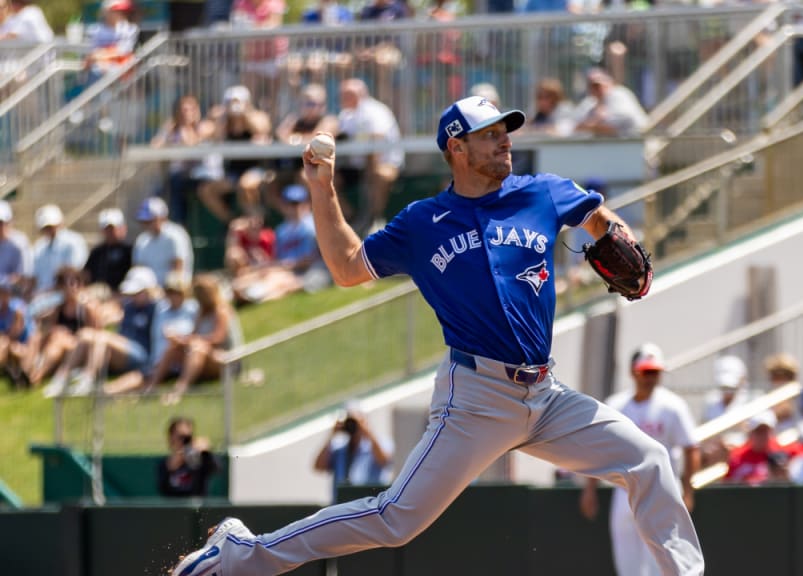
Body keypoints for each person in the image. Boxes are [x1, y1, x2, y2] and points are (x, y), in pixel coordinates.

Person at [171, 96, 703, 576]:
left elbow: (596, 216)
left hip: (546, 395)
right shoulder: (424, 222)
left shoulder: (540, 192)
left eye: (506, 130)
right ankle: (242, 554)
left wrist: (617, 235)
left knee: (650, 460)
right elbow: (347, 266)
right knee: (395, 519)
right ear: (457, 146)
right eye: (490, 134)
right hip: (476, 398)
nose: (505, 140)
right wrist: (322, 189)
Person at [579, 343, 700, 576]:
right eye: (646, 371)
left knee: (660, 562)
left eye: (655, 372)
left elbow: (690, 447)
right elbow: (597, 447)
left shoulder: (673, 405)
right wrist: (590, 488)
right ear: (633, 372)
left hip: (661, 491)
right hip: (623, 491)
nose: (651, 378)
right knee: (627, 563)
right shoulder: (616, 404)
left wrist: (688, 491)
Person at [48, 266, 158, 397]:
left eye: (138, 292)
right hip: (124, 350)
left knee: (100, 337)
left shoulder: (156, 308)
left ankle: (88, 379)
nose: (133, 296)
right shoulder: (129, 307)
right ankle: (61, 378)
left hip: (141, 355)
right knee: (85, 335)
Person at [147, 274, 240, 406]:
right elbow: (193, 335)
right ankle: (151, 386)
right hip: (208, 355)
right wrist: (180, 340)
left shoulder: (221, 310)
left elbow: (218, 338)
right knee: (173, 349)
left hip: (227, 360)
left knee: (197, 347)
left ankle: (179, 390)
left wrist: (191, 340)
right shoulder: (201, 313)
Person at [335, 78, 404, 234]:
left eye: (348, 94)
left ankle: (374, 219)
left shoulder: (376, 111)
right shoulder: (345, 115)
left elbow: (376, 145)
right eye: (342, 94)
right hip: (354, 167)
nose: (343, 98)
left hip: (385, 164)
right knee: (327, 179)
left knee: (378, 175)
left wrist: (369, 171)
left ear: (361, 94)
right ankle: (351, 219)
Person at [197, 85, 273, 223]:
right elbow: (212, 136)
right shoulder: (224, 121)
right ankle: (232, 221)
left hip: (257, 169)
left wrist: (245, 114)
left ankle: (256, 223)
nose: (234, 106)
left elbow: (262, 130)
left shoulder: (257, 116)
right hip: (233, 172)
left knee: (245, 186)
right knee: (207, 191)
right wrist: (222, 118)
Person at [37, 267, 103, 394]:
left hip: (81, 349)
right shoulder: (58, 308)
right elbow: (47, 330)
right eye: (64, 284)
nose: (69, 288)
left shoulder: (87, 307)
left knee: (58, 341)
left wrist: (70, 338)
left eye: (73, 283)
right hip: (62, 349)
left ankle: (39, 376)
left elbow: (97, 335)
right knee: (54, 340)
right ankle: (36, 374)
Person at [150, 94, 214, 224]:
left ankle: (179, 223)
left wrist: (185, 127)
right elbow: (155, 145)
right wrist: (168, 131)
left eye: (191, 109)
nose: (187, 113)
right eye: (184, 110)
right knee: (160, 189)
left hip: (204, 175)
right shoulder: (172, 128)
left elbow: (191, 144)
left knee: (175, 182)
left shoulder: (206, 126)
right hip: (180, 176)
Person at [313, 401, 393, 500]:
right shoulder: (339, 449)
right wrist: (332, 434)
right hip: (342, 504)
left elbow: (384, 460)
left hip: (369, 506)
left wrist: (366, 431)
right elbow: (318, 466)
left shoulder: (379, 444)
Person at [132, 197, 194, 286]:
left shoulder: (176, 235)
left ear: (162, 217)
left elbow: (178, 269)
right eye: (143, 221)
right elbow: (138, 269)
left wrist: (164, 292)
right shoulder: (141, 240)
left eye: (149, 220)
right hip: (146, 293)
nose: (145, 224)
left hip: (173, 291)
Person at [30, 204, 88, 296]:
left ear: (60, 223)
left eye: (52, 226)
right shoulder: (39, 246)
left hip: (67, 293)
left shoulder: (74, 242)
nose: (49, 229)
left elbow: (75, 271)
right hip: (42, 294)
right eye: (46, 227)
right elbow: (34, 276)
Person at [574, 67, 648, 137]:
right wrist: (595, 123)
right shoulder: (591, 102)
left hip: (636, 142)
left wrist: (593, 124)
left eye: (598, 85)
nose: (596, 89)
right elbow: (575, 125)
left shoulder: (618, 93)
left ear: (609, 83)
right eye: (592, 86)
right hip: (614, 145)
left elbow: (621, 123)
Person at [158, 416, 220, 497]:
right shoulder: (165, 464)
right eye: (181, 437)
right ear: (171, 438)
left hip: (198, 508)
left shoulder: (200, 459)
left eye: (187, 437)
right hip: (174, 508)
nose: (184, 441)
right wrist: (172, 466)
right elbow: (163, 490)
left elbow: (216, 469)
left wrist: (207, 452)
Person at [83, 0, 139, 80]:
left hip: (123, 74)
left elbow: (124, 51)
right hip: (98, 73)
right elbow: (90, 54)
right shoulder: (94, 30)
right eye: (116, 11)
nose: (121, 14)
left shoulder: (130, 29)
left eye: (124, 12)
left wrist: (100, 55)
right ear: (106, 12)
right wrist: (100, 57)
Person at [724, 411, 784, 486]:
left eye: (765, 431)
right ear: (751, 433)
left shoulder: (781, 456)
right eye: (758, 432)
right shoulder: (737, 458)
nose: (762, 436)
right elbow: (729, 487)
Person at [84, 208, 133, 292]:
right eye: (107, 229)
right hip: (98, 293)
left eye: (113, 228)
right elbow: (87, 274)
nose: (110, 232)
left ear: (123, 228)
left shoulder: (130, 250)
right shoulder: (97, 252)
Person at [0, 279, 32, 388]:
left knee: (3, 343)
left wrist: (4, 337)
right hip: (8, 348)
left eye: (4, 292)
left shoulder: (17, 307)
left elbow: (17, 332)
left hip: (23, 347)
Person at [0, 200, 31, 289]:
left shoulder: (19, 243)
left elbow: (23, 277)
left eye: (2, 223)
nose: (1, 227)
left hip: (14, 295)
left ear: (10, 222)